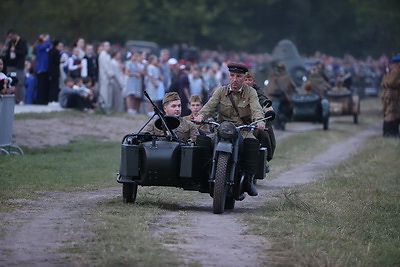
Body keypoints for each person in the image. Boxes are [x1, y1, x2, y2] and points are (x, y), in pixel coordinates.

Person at [194, 63, 265, 196]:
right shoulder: (220, 91)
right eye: (232, 76)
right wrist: (200, 116)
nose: (235, 79)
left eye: (238, 76)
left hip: (242, 130)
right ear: (229, 76)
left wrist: (259, 121)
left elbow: (256, 108)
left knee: (252, 144)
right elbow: (209, 106)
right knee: (203, 141)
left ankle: (248, 180)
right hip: (221, 129)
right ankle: (202, 177)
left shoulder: (250, 92)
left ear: (244, 78)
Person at [244, 70, 276, 165]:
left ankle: (263, 160)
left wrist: (269, 111)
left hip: (255, 122)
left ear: (253, 81)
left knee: (265, 135)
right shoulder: (236, 92)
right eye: (245, 79)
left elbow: (264, 102)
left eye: (250, 80)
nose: (247, 82)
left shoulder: (258, 93)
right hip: (239, 122)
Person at [264, 62, 297, 130]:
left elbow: (268, 86)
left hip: (272, 95)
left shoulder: (273, 75)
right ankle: (284, 120)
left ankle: (278, 121)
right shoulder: (286, 75)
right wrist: (295, 90)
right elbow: (292, 85)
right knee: (289, 106)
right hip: (283, 96)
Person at [1, 29, 28, 103]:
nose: (10, 38)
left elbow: (24, 52)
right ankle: (12, 99)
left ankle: (22, 99)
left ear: (14, 35)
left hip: (18, 66)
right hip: (10, 65)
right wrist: (6, 45)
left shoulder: (22, 41)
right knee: (10, 82)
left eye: (11, 37)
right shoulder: (10, 42)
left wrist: (14, 51)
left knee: (20, 82)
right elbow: (5, 53)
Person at [381, 53, 400, 137]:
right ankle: (390, 133)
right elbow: (391, 83)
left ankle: (389, 132)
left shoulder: (391, 69)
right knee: (392, 112)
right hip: (393, 93)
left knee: (391, 112)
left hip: (390, 93)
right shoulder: (396, 70)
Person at [33, 33, 51, 105]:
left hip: (45, 68)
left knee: (44, 85)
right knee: (40, 85)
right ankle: (39, 100)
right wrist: (46, 40)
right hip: (41, 69)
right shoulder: (39, 46)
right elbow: (48, 44)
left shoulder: (43, 47)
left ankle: (44, 100)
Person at [47, 40, 63, 105]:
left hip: (50, 71)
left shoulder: (50, 51)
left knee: (51, 86)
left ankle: (50, 99)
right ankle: (53, 100)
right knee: (54, 86)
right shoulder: (56, 52)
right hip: (55, 71)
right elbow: (56, 61)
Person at [98, 41, 113, 109]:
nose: (108, 47)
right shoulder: (103, 55)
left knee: (108, 93)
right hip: (104, 76)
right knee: (104, 92)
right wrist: (110, 74)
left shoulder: (107, 55)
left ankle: (107, 106)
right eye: (106, 46)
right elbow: (106, 66)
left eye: (109, 46)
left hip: (109, 77)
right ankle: (103, 106)